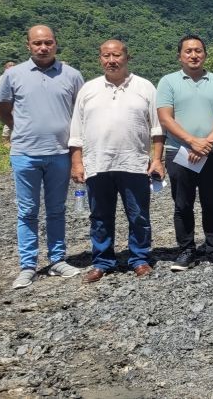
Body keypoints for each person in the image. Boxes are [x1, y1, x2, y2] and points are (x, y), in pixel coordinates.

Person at [68, 40, 164, 282]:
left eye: (117, 55)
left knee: (139, 215)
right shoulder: (88, 90)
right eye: (106, 56)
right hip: (97, 163)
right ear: (100, 59)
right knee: (100, 216)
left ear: (127, 57)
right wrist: (77, 163)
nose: (112, 60)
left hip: (134, 162)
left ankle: (139, 259)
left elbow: (157, 128)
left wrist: (157, 159)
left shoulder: (145, 87)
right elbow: (76, 131)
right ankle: (102, 261)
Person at [0, 25, 84, 289]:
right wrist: (21, 130)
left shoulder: (72, 75)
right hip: (25, 153)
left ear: (56, 44)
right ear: (28, 46)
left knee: (57, 210)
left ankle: (57, 259)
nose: (43, 47)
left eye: (48, 42)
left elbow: (80, 112)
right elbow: (4, 110)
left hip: (60, 152)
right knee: (27, 211)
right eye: (37, 43)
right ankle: (27, 266)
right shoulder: (13, 75)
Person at [156, 35, 213, 270]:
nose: (193, 55)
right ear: (179, 55)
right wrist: (191, 142)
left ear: (205, 54)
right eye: (188, 51)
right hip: (179, 152)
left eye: (198, 51)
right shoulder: (168, 82)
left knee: (212, 202)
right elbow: (165, 117)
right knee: (182, 204)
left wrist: (206, 143)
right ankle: (186, 249)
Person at [0, 61, 15, 147]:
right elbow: (3, 92)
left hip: (15, 101)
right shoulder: (2, 78)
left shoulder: (14, 76)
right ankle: (5, 140)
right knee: (9, 119)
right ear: (6, 68)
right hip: (8, 102)